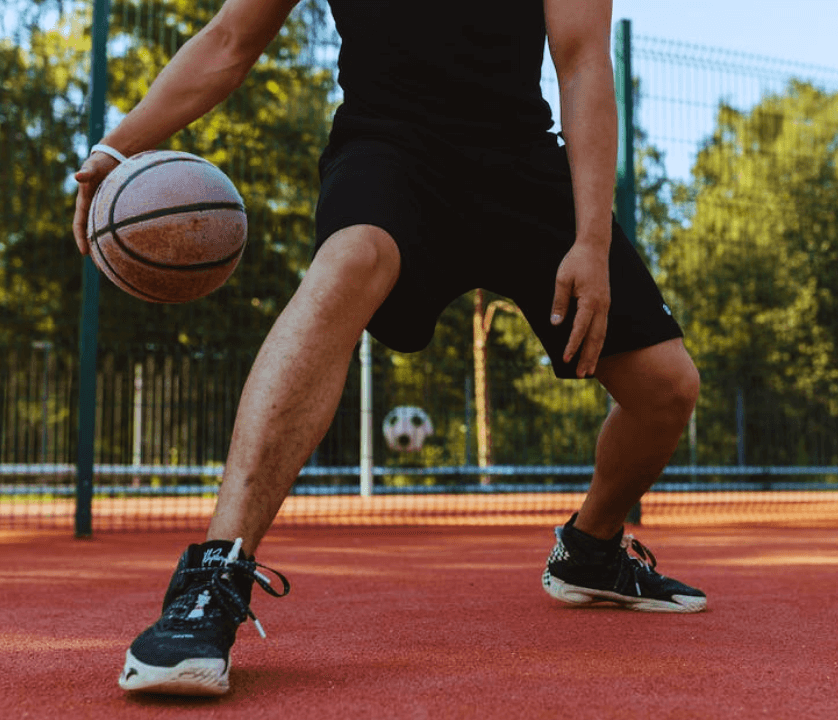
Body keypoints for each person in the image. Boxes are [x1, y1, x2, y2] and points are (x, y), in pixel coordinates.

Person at [72, 0, 706, 697]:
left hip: (520, 161)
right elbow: (228, 39)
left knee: (666, 389)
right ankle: (213, 576)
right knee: (348, 263)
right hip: (388, 150)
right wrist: (117, 146)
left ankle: (591, 549)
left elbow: (583, 62)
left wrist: (590, 240)